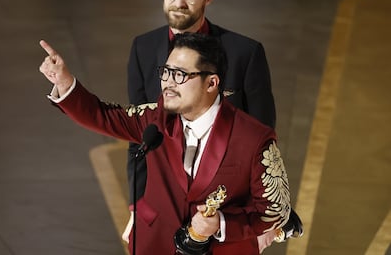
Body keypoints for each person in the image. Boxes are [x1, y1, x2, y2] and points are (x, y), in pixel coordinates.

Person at [39, 33, 291, 254]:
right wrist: (63, 82)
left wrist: (222, 224)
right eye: (166, 72)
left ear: (212, 83)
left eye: (180, 75)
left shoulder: (254, 138)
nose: (167, 83)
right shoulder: (156, 118)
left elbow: (275, 209)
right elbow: (102, 116)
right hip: (155, 245)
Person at [126, 0, 276, 241]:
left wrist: (261, 221)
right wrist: (136, 207)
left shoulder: (246, 54)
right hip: (163, 209)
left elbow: (264, 143)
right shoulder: (142, 48)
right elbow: (140, 136)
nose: (178, 3)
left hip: (225, 213)